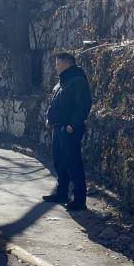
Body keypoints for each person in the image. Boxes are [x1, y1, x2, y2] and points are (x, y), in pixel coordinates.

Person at [42, 52, 93, 211]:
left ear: (66, 64)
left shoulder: (77, 81)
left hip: (69, 130)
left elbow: (84, 105)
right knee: (60, 162)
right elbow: (55, 104)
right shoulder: (61, 83)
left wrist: (72, 125)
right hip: (57, 129)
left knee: (73, 163)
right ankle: (62, 192)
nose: (55, 67)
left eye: (57, 64)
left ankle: (79, 200)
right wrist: (49, 118)